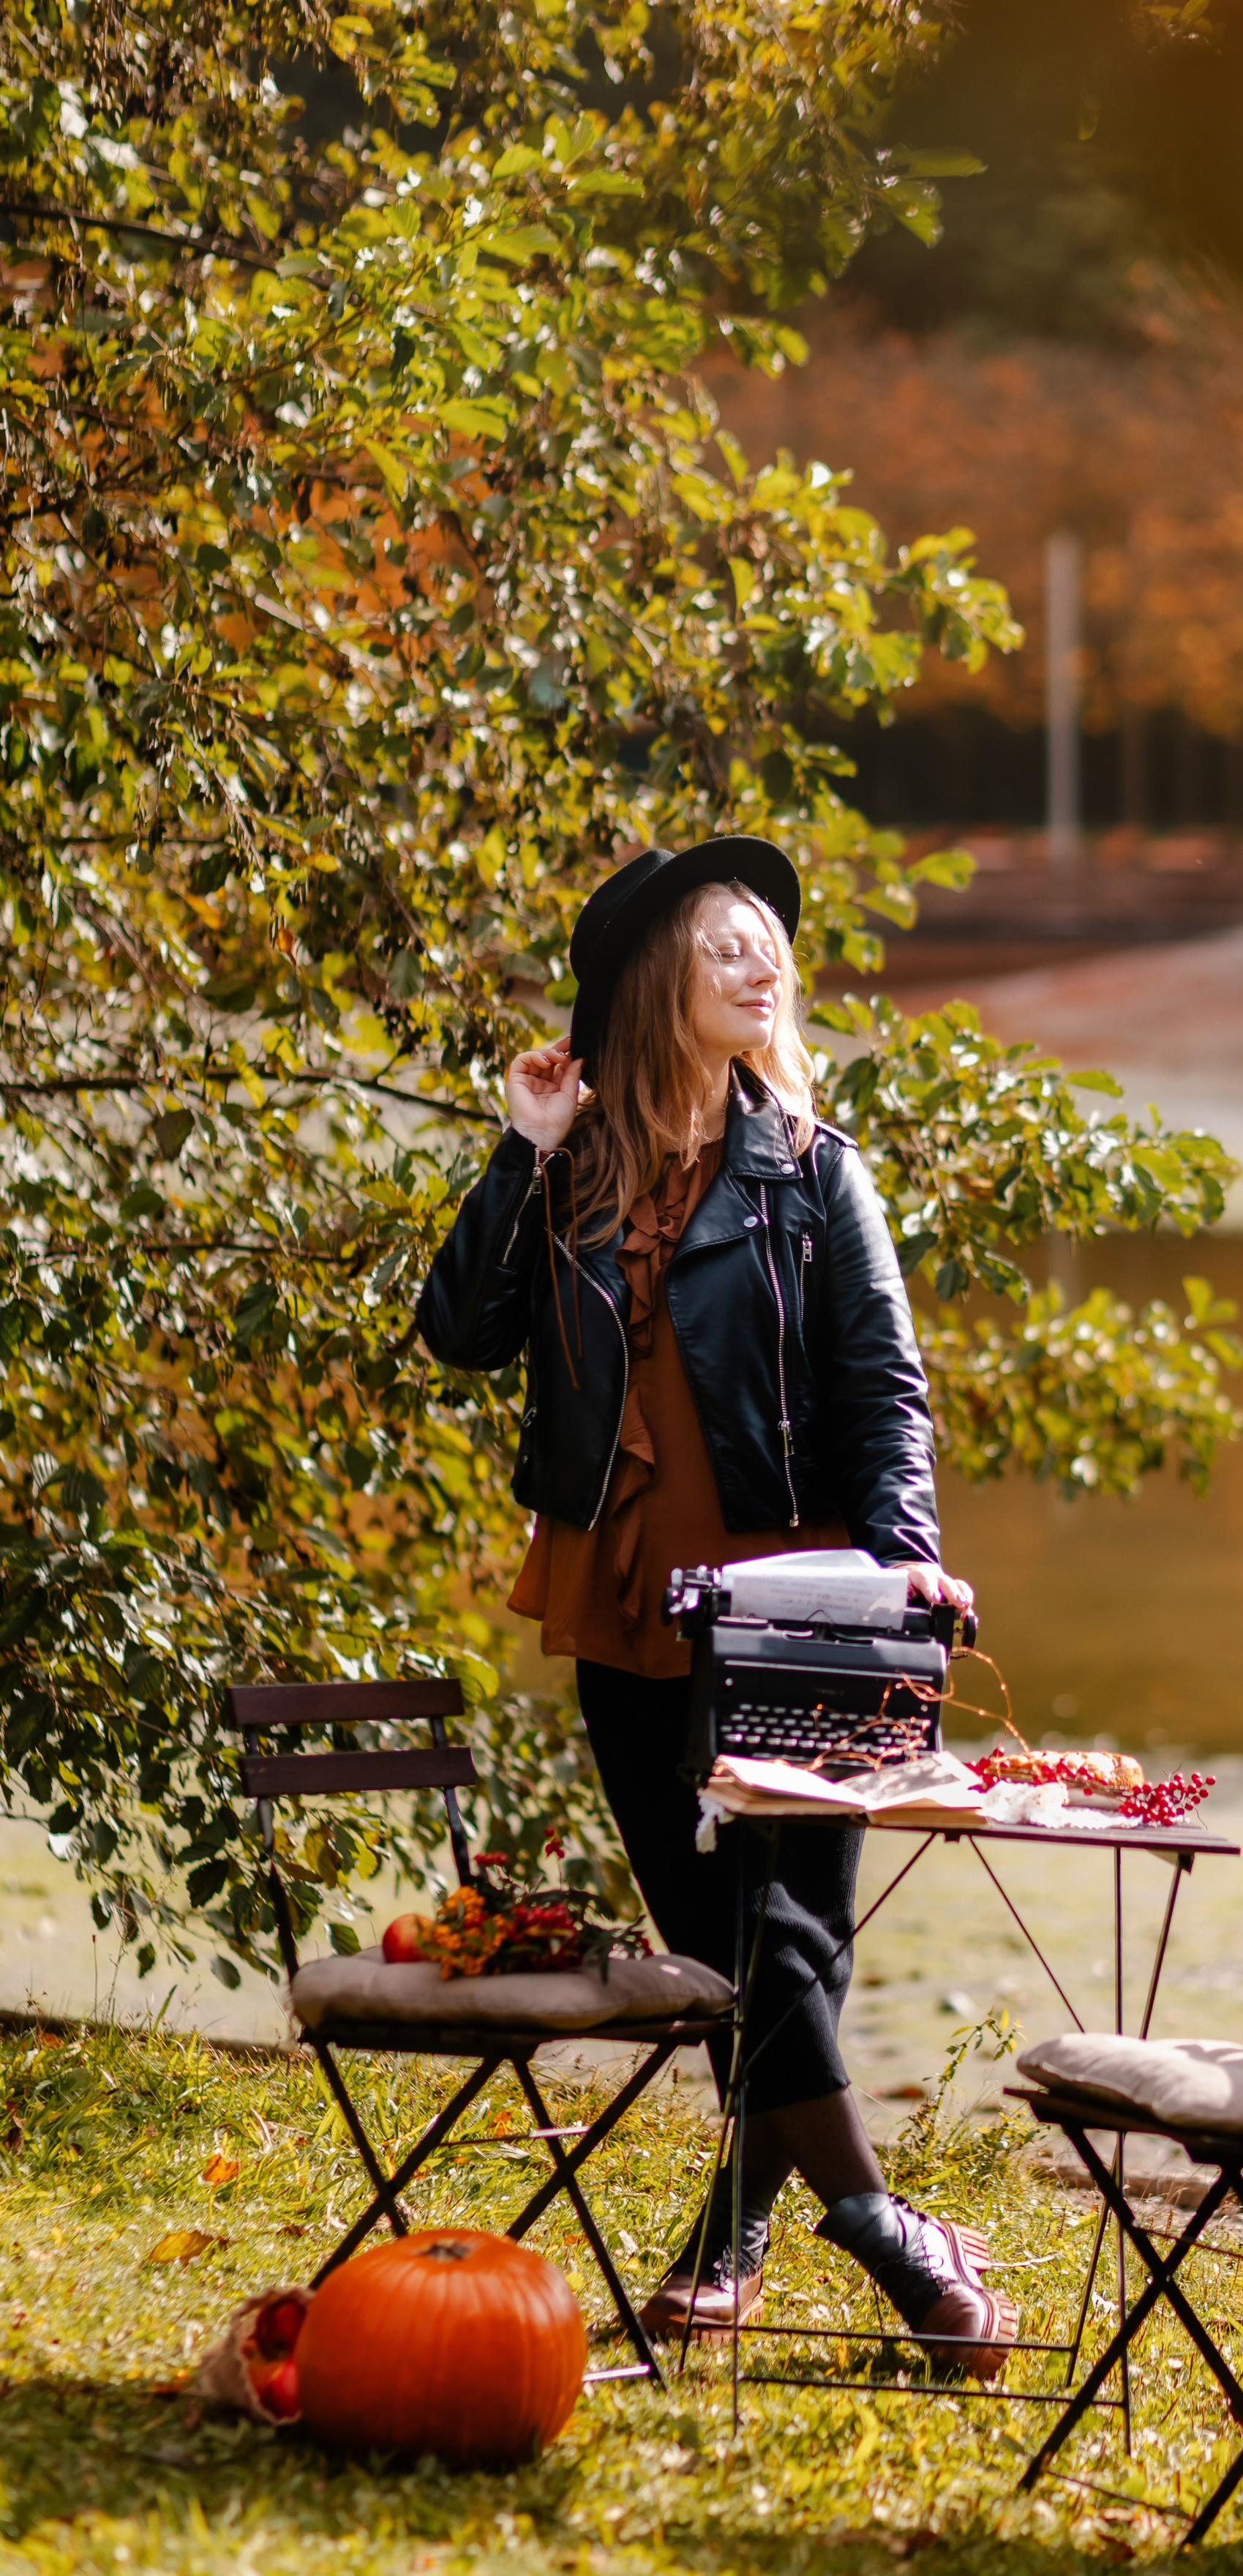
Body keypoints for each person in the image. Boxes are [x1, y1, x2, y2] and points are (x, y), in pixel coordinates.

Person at [415, 835, 1014, 2377]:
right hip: (627, 1595)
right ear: (651, 983)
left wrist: (905, 1561)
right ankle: (833, 2229)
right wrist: (521, 1148)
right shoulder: (571, 1173)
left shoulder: (813, 1175)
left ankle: (833, 2242)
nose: (766, 966)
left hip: (800, 1607)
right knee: (723, 1939)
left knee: (784, 1937)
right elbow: (460, 1334)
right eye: (727, 943)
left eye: (771, 948)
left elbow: (884, 1389)